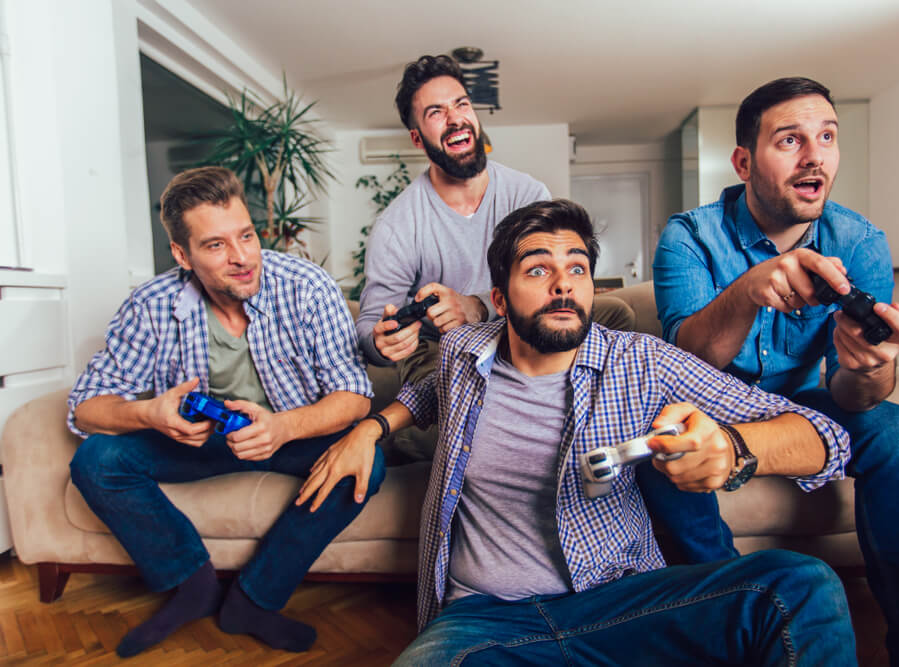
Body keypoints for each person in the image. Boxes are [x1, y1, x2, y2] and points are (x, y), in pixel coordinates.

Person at [302, 199, 858, 665]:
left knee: (799, 585)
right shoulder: (462, 351)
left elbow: (826, 437)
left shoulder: (642, 362)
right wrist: (371, 428)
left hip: (621, 603)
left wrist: (735, 449)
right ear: (499, 299)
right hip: (482, 619)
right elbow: (427, 394)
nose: (562, 285)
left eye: (577, 269)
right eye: (538, 270)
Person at [651, 77, 899, 666]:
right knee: (660, 437)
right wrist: (747, 292)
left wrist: (869, 369)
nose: (814, 155)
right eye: (790, 140)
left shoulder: (861, 241)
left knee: (894, 427)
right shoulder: (688, 235)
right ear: (743, 161)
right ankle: (741, 615)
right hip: (705, 407)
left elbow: (853, 395)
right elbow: (687, 362)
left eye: (826, 137)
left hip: (800, 406)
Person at [67, 166, 386, 657]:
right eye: (215, 245)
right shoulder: (152, 304)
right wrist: (150, 414)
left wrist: (282, 427)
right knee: (96, 461)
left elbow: (354, 395)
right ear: (182, 254)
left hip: (290, 433)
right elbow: (86, 407)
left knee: (366, 463)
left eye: (247, 236)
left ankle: (255, 601)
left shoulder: (306, 287)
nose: (242, 258)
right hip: (201, 441)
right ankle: (191, 586)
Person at [356, 55, 634, 429]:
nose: (455, 118)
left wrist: (476, 306)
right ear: (417, 137)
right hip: (439, 347)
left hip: (518, 324)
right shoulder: (397, 225)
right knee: (448, 386)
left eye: (462, 104)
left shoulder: (528, 193)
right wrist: (382, 341)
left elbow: (548, 277)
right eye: (436, 112)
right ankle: (418, 438)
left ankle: (587, 412)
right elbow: (371, 324)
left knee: (618, 313)